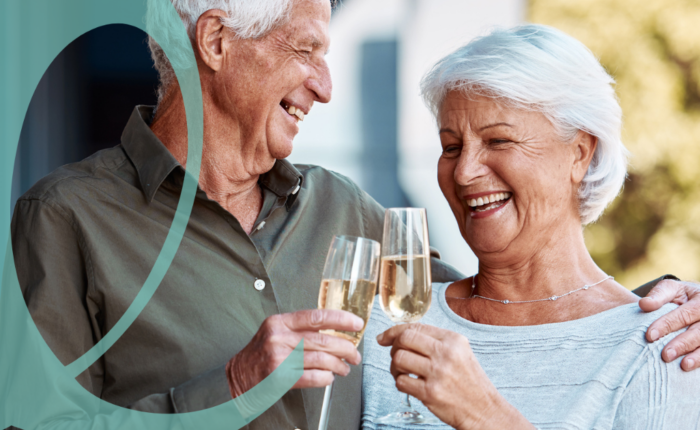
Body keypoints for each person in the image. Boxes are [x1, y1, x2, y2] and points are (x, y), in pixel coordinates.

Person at [9, 1, 699, 428]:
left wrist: (660, 307)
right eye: (305, 50)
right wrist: (229, 386)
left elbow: (508, 297)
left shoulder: (339, 206)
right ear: (216, 43)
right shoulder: (65, 218)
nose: (327, 86)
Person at [362, 24, 700, 429]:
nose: (465, 172)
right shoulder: (384, 322)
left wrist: (485, 416)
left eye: (498, 141)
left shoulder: (664, 346)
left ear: (579, 153)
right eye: (451, 147)